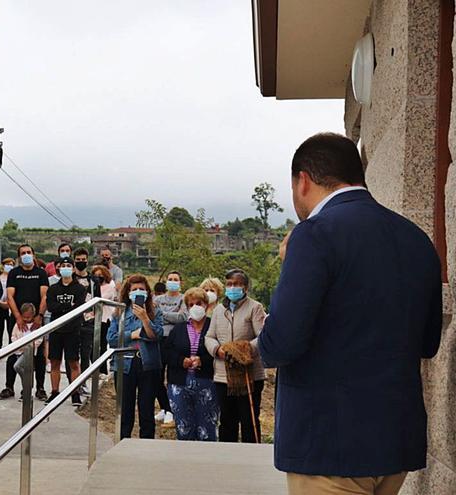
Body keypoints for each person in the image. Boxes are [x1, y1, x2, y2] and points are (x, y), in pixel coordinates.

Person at [258, 133, 442, 494]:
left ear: (303, 180)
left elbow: (279, 344)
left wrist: (288, 268)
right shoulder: (416, 239)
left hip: (328, 445)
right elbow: (428, 341)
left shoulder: (313, 235)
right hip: (393, 443)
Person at [204, 268, 266, 444]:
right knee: (227, 421)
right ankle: (227, 458)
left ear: (245, 288)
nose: (233, 287)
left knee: (249, 419)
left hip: (249, 374)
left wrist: (241, 351)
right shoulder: (217, 311)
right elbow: (209, 336)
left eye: (237, 284)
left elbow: (262, 336)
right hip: (224, 375)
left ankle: (251, 456)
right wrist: (218, 350)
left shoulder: (255, 307)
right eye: (229, 284)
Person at [107, 274, 163, 440]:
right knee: (125, 410)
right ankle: (123, 443)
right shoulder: (119, 313)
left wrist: (145, 319)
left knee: (146, 410)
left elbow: (156, 335)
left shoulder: (156, 312)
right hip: (125, 364)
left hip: (148, 364)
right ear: (128, 293)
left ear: (147, 292)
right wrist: (133, 334)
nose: (138, 292)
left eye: (142, 289)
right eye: (134, 289)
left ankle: (146, 445)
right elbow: (111, 339)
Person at [164, 288, 217, 441]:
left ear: (206, 305)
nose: (195, 307)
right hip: (179, 383)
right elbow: (167, 352)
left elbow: (218, 351)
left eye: (198, 303)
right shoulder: (179, 329)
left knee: (207, 427)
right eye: (191, 304)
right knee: (183, 426)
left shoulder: (213, 326)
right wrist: (181, 361)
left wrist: (203, 360)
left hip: (207, 383)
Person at [6, 244, 49, 401]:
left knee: (38, 356)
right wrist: (18, 316)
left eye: (28, 252)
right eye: (23, 253)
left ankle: (40, 388)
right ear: (19, 257)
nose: (26, 255)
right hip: (18, 319)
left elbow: (44, 295)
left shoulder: (41, 273)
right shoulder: (14, 273)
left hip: (36, 319)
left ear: (33, 254)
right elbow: (10, 296)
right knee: (13, 352)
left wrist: (40, 315)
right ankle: (9, 387)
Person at [45, 257, 86, 406]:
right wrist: (68, 304)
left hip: (73, 330)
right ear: (58, 268)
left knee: (73, 362)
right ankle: (55, 392)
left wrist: (62, 306)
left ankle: (75, 393)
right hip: (56, 329)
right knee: (54, 362)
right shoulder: (53, 288)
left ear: (73, 268)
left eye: (69, 265)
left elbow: (79, 308)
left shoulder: (80, 289)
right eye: (63, 266)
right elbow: (51, 307)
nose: (66, 268)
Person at [153, 271, 186, 424]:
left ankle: (173, 407)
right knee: (157, 377)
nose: (173, 281)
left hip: (176, 341)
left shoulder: (184, 298)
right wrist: (171, 315)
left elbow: (183, 318)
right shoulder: (157, 299)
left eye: (176, 279)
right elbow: (153, 316)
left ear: (181, 282)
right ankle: (166, 408)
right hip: (159, 339)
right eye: (170, 279)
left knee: (173, 377)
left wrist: (162, 314)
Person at [0, 303, 42, 401]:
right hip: (19, 351)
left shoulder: (36, 325)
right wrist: (19, 346)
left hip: (30, 352)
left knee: (17, 366)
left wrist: (30, 347)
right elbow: (13, 336)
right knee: (24, 371)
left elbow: (40, 339)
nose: (27, 319)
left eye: (29, 317)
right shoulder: (18, 325)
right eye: (25, 317)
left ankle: (28, 387)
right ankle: (27, 387)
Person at [73, 248, 104, 379]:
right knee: (73, 355)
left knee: (86, 353)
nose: (81, 262)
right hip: (73, 320)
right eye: (78, 260)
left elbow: (98, 300)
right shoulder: (71, 278)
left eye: (83, 260)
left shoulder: (94, 280)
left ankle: (83, 380)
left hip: (88, 321)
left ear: (87, 261)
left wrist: (96, 317)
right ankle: (73, 381)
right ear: (74, 261)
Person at [0, 258, 15, 350]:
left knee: (11, 328)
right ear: (3, 265)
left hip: (10, 306)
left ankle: (11, 347)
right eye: (7, 264)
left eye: (11, 264)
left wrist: (9, 303)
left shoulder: (14, 278)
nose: (9, 266)